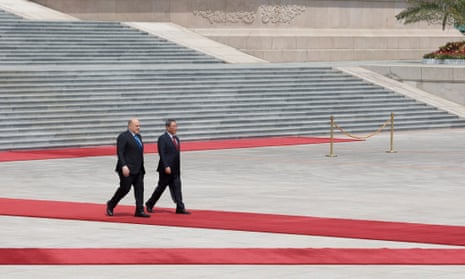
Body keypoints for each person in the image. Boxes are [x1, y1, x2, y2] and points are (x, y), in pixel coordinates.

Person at [106, 118, 150, 217]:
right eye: (136, 126)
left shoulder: (139, 136)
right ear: (130, 126)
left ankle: (139, 210)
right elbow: (120, 152)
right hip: (127, 169)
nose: (139, 128)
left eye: (139, 126)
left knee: (139, 189)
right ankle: (111, 204)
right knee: (125, 188)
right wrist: (124, 165)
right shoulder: (123, 136)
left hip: (138, 168)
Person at [146, 119, 190, 214]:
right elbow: (162, 154)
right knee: (161, 188)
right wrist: (166, 166)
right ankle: (150, 203)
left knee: (177, 188)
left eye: (176, 126)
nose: (175, 128)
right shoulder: (162, 138)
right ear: (167, 127)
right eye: (173, 126)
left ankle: (180, 207)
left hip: (175, 170)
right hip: (166, 169)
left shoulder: (176, 139)